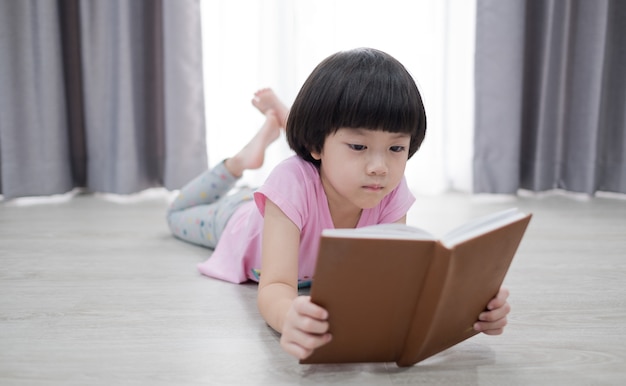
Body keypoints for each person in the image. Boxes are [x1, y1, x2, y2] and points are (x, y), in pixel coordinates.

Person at [167, 48, 511, 360]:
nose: (380, 166)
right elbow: (276, 287)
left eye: (396, 148)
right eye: (359, 147)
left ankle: (282, 122)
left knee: (331, 156)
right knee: (176, 213)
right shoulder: (291, 182)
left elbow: (392, 282)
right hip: (240, 220)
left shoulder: (388, 188)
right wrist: (289, 318)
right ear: (316, 147)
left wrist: (469, 312)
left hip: (299, 183)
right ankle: (239, 162)